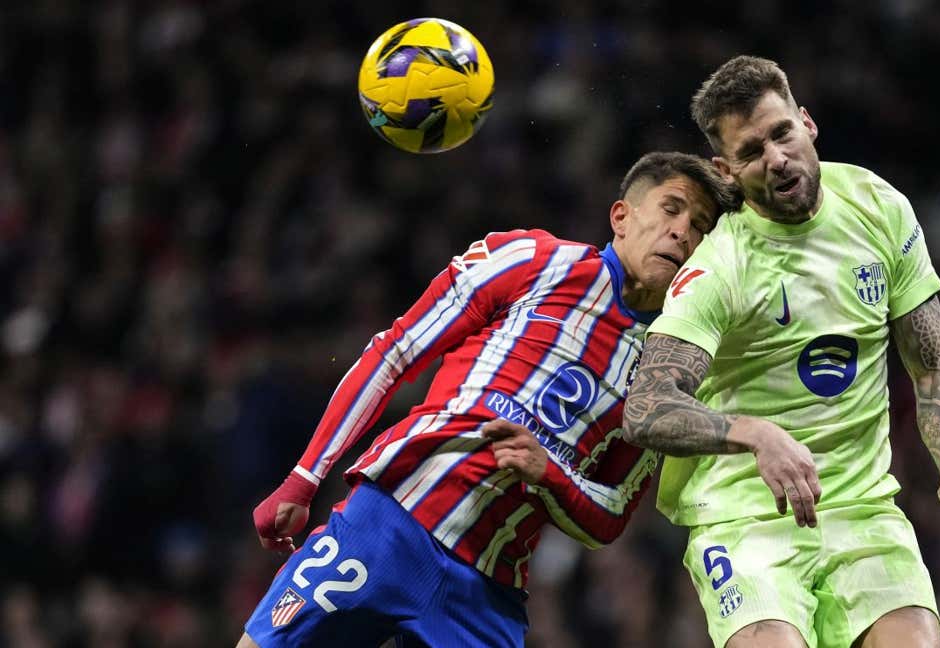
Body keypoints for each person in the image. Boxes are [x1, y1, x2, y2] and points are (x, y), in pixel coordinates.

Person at [236, 151, 739, 648]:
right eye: (672, 209)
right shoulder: (532, 259)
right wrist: (304, 477)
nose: (682, 233)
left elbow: (611, 515)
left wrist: (550, 475)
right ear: (621, 217)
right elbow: (396, 350)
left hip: (486, 594)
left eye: (700, 228)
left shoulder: (666, 372)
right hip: (388, 525)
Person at [622, 56, 940, 648]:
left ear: (807, 123)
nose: (776, 159)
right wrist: (754, 433)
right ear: (727, 170)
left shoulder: (878, 208)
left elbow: (931, 369)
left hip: (863, 513)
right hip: (745, 521)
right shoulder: (720, 267)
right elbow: (647, 407)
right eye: (752, 152)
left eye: (782, 133)